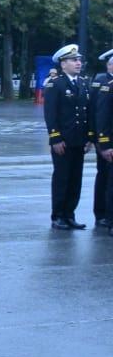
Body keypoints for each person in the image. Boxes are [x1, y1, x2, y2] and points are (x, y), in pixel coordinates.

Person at [43, 44, 92, 230]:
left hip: (79, 141)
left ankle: (70, 214)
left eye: (79, 60)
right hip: (63, 141)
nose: (78, 63)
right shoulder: (55, 84)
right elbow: (50, 114)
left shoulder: (83, 83)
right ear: (63, 64)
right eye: (74, 60)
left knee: (75, 180)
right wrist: (55, 138)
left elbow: (86, 113)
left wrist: (89, 137)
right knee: (62, 179)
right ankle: (58, 216)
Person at [93, 47, 113, 230]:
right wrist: (103, 142)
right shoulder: (106, 85)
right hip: (108, 142)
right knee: (107, 179)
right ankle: (107, 217)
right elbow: (101, 115)